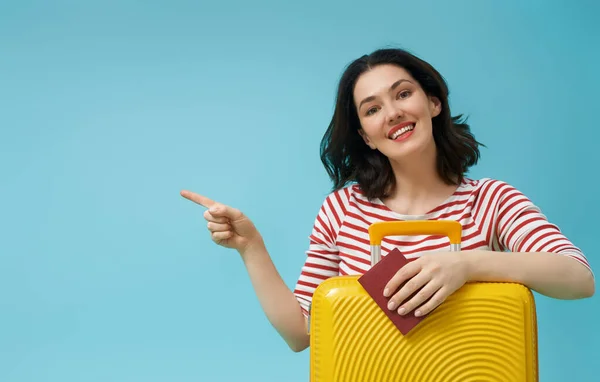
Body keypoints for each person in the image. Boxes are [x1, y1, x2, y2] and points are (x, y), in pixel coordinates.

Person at [180, 48, 595, 353]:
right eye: (372, 108)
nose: (392, 112)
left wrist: (466, 264)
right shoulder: (342, 211)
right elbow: (302, 332)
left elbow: (579, 278)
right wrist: (251, 247)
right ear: (364, 135)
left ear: (433, 103)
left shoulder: (491, 201)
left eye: (402, 94)